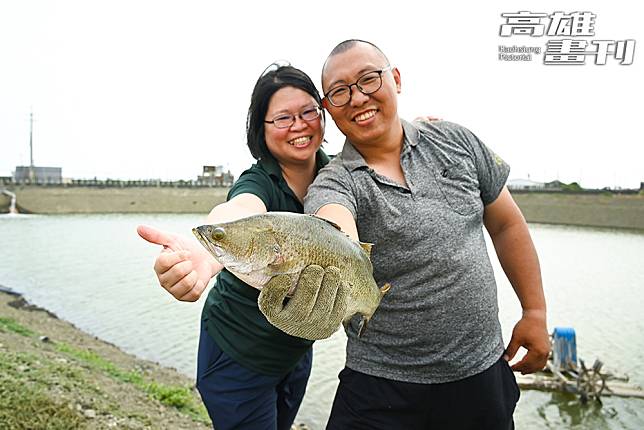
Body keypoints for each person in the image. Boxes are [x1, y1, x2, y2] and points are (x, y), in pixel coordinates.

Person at [292, 39, 550, 429]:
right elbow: (332, 225)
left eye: (368, 79)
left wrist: (534, 311)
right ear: (328, 107)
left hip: (480, 373)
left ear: (395, 79)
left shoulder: (455, 142)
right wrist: (334, 244)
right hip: (380, 384)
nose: (358, 98)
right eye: (340, 91)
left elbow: (506, 223)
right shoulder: (334, 181)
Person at [137, 63, 347, 430]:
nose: (298, 126)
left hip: (295, 353)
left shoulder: (336, 176)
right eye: (282, 118)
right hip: (237, 353)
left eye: (307, 112)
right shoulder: (259, 181)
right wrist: (208, 250)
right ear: (260, 129)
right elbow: (240, 209)